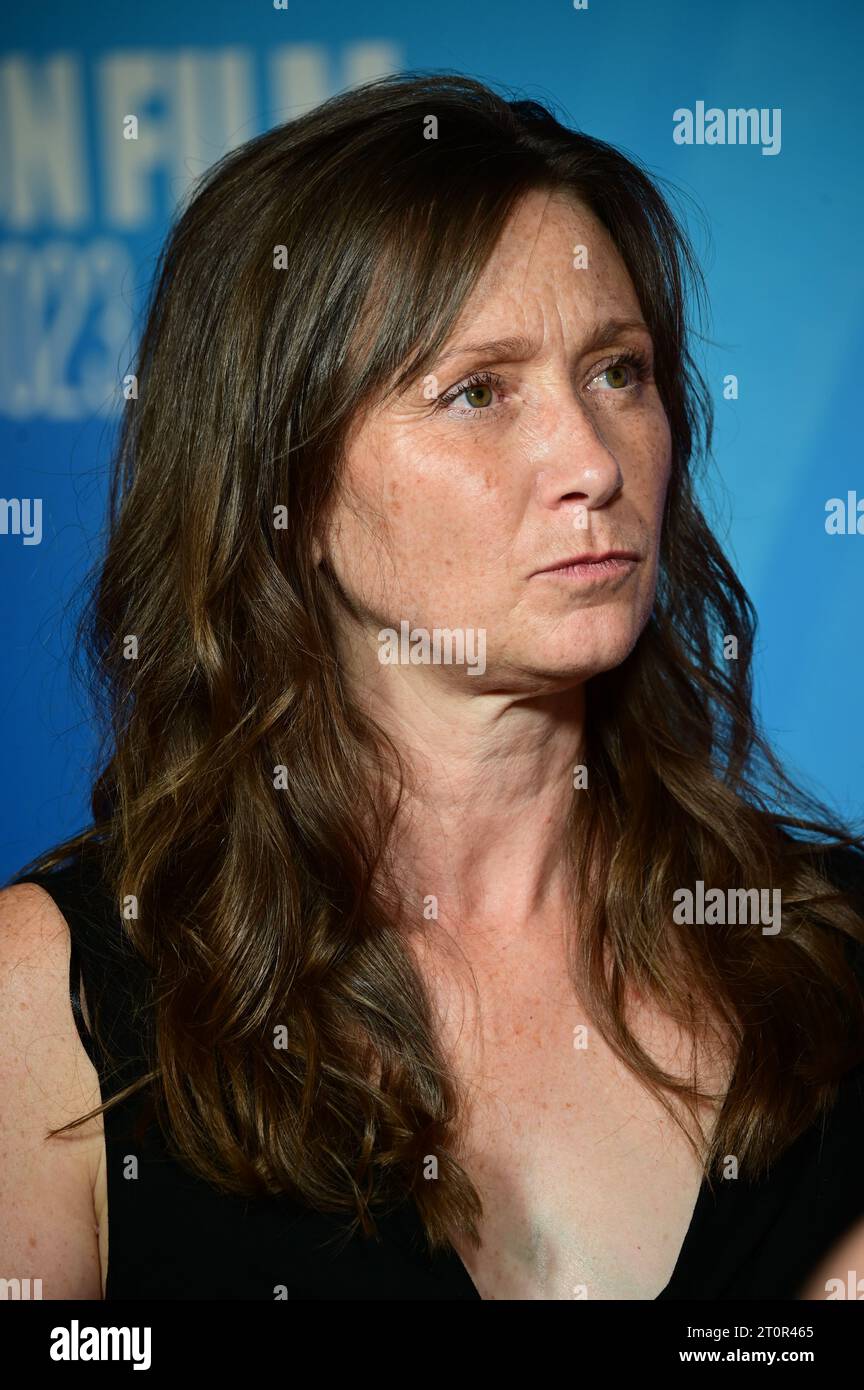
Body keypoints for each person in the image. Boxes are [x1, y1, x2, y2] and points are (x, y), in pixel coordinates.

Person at [2, 70, 863, 1302]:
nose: (591, 461)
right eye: (477, 391)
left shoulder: (829, 954)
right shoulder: (54, 1001)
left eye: (618, 371)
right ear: (286, 488)